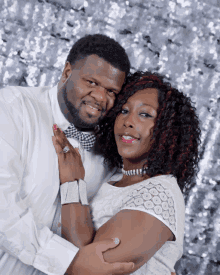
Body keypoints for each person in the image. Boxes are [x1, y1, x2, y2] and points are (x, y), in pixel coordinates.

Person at [0, 34, 136, 275]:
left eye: (111, 91)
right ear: (66, 72)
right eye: (92, 82)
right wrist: (70, 262)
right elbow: (3, 209)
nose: (100, 97)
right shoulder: (13, 108)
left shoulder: (112, 153)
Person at [52, 71, 201, 274]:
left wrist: (72, 181)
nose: (128, 121)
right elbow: (82, 254)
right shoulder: (114, 177)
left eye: (145, 114)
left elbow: (89, 266)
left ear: (169, 130)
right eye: (123, 111)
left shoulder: (160, 193)